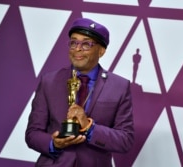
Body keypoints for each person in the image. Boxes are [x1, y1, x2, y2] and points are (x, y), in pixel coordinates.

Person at [25, 18, 134, 167]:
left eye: (86, 44)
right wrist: (54, 144)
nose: (77, 49)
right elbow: (33, 133)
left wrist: (90, 127)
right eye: (74, 42)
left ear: (101, 51)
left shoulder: (119, 86)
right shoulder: (49, 81)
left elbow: (125, 140)